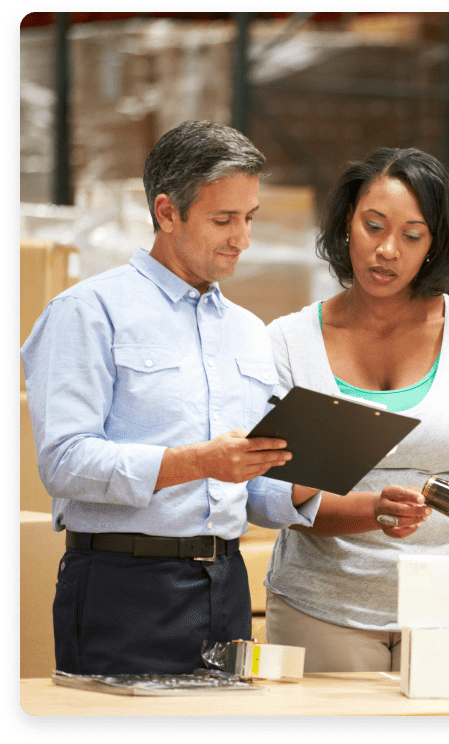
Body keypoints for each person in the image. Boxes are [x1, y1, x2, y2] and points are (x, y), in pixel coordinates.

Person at [20, 120, 322, 675]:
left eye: (249, 218)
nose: (242, 238)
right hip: (123, 586)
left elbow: (252, 491)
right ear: (166, 212)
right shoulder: (88, 313)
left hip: (226, 587)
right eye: (223, 219)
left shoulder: (250, 332)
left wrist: (318, 468)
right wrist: (199, 462)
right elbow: (62, 464)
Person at [262, 147, 449, 672]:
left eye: (412, 236)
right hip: (323, 610)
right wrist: (374, 509)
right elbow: (283, 497)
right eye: (373, 226)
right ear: (348, 224)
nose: (387, 250)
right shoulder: (290, 343)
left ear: (434, 246)